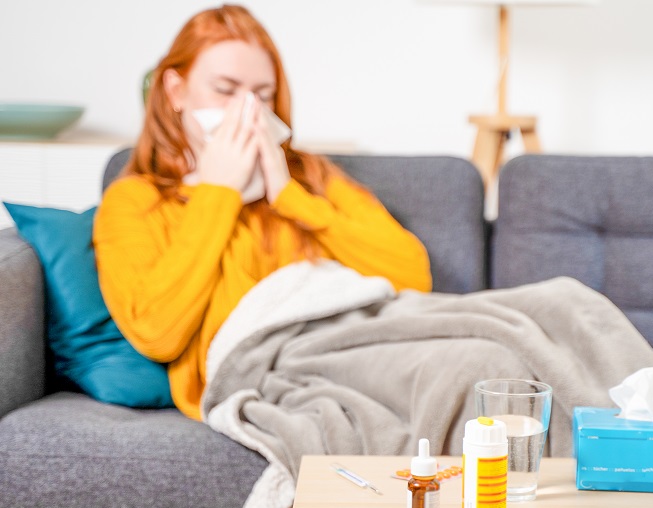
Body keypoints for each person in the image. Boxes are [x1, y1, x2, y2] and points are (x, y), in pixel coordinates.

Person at [93, 4, 432, 421]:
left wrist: (287, 195)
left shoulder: (311, 177)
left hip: (364, 339)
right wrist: (218, 192)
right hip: (277, 370)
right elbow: (157, 333)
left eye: (263, 94)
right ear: (177, 92)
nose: (248, 110)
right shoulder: (135, 201)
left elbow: (414, 275)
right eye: (225, 89)